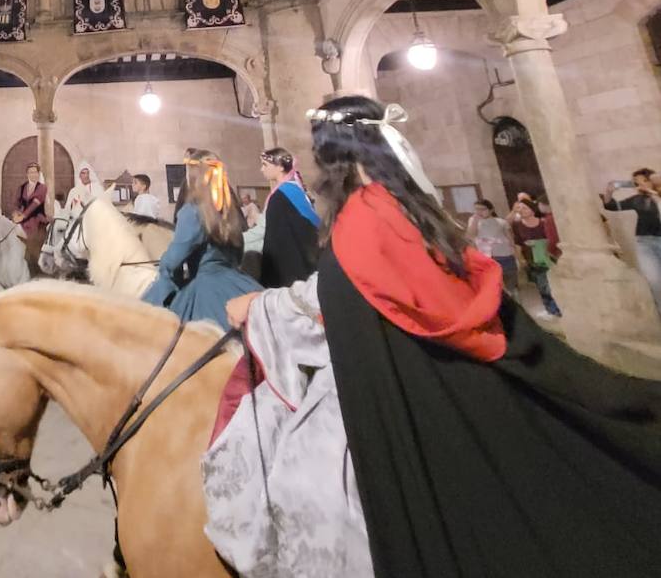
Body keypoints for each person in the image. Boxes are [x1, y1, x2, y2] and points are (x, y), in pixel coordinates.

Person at [210, 95, 661, 578]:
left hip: (405, 387)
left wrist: (263, 308)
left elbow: (351, 293)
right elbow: (360, 288)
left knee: (301, 482)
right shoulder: (388, 203)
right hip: (398, 367)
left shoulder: (368, 214)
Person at [141, 149, 261, 330]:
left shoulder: (192, 211)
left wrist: (164, 275)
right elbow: (238, 251)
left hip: (206, 289)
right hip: (238, 281)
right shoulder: (230, 211)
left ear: (194, 176)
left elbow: (175, 257)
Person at [258, 147, 320, 288]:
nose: (261, 170)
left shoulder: (282, 195)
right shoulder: (294, 189)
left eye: (265, 165)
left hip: (289, 272)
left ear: (280, 167)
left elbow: (274, 240)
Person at [604, 168, 661, 313]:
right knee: (655, 281)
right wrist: (609, 192)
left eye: (643, 181)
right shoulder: (637, 200)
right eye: (635, 182)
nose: (639, 185)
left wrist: (653, 193)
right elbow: (610, 206)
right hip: (645, 243)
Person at [509, 197, 561, 317]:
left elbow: (552, 238)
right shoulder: (517, 225)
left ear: (532, 210)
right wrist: (520, 258)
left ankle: (558, 307)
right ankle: (551, 309)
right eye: (520, 208)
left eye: (525, 208)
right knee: (542, 285)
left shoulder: (543, 222)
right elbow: (518, 243)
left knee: (553, 283)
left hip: (549, 256)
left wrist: (539, 242)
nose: (522, 210)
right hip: (532, 258)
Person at [468, 199, 518, 299]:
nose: (479, 212)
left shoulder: (501, 222)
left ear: (491, 210)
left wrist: (517, 256)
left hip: (505, 256)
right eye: (476, 209)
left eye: (482, 209)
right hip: (487, 258)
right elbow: (471, 235)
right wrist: (475, 220)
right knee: (495, 287)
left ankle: (515, 305)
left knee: (511, 285)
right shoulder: (473, 221)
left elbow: (511, 240)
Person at [11, 162, 49, 274]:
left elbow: (34, 204)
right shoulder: (22, 187)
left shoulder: (42, 188)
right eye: (30, 172)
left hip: (37, 221)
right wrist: (15, 215)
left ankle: (34, 270)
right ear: (27, 174)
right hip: (22, 222)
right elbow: (15, 203)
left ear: (38, 174)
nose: (33, 175)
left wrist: (22, 216)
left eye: (35, 172)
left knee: (33, 246)